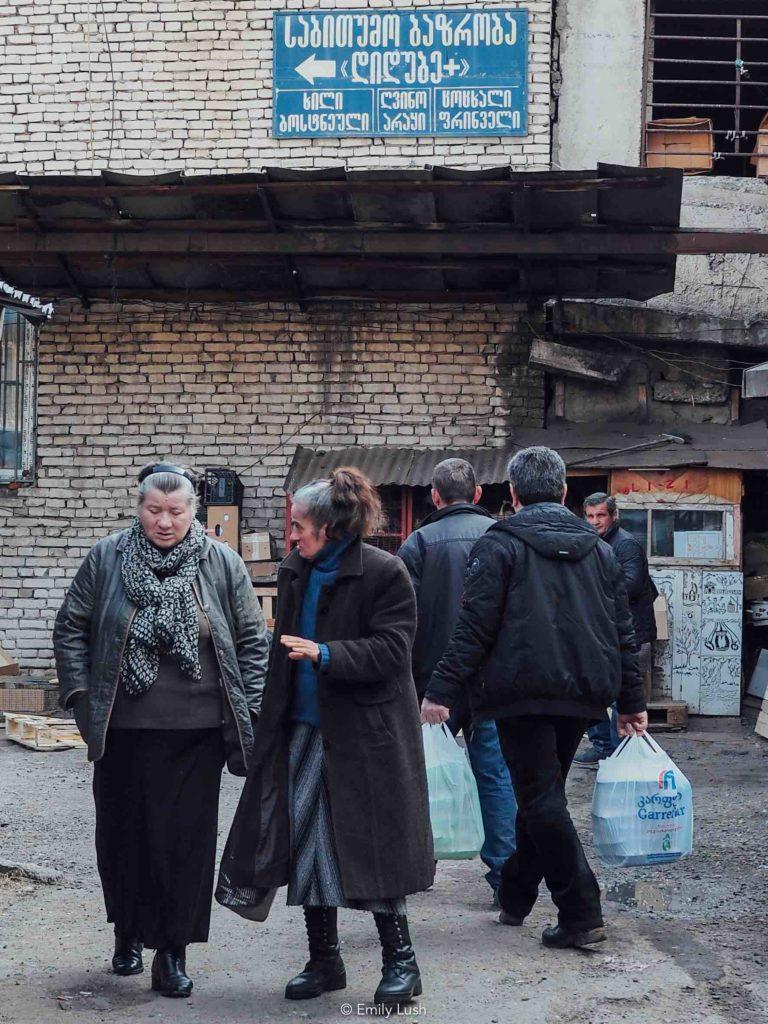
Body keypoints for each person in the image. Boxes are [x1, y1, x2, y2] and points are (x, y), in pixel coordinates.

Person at [216, 468, 434, 1006]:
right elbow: (277, 653)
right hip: (303, 730)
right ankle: (324, 960)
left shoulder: (386, 573)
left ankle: (401, 964)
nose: (293, 536)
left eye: (300, 527)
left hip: (367, 736)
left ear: (332, 527)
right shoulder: (296, 571)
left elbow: (393, 651)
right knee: (309, 844)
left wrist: (328, 653)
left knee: (372, 846)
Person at [53, 463, 269, 998]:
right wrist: (82, 700)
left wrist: (256, 711)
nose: (165, 522)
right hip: (122, 730)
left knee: (185, 844)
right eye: (155, 511)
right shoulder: (108, 557)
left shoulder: (222, 563)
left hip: (197, 733)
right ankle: (127, 932)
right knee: (124, 837)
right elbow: (71, 627)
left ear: (194, 510)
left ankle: (172, 951)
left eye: (176, 511)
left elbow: (250, 642)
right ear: (139, 507)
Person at [421, 446, 647, 950]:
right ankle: (517, 894)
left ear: (514, 495)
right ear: (564, 492)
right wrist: (631, 699)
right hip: (583, 692)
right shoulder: (599, 549)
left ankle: (581, 911)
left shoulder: (499, 544)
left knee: (541, 801)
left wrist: (441, 690)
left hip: (519, 695)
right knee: (541, 799)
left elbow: (473, 627)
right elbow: (622, 632)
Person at [397, 457, 517, 904]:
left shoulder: (418, 543)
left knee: (423, 772)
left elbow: (402, 620)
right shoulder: (503, 538)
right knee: (495, 774)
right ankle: (505, 876)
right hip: (491, 680)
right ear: (479, 493)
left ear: (434, 495)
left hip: (432, 683)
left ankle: (415, 867)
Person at [576, 492, 658, 767]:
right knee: (596, 693)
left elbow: (631, 586)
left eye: (600, 515)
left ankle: (623, 754)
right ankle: (603, 748)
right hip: (602, 634)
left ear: (613, 516)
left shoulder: (626, 545)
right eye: (589, 516)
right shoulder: (591, 544)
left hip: (631, 635)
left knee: (623, 696)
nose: (595, 521)